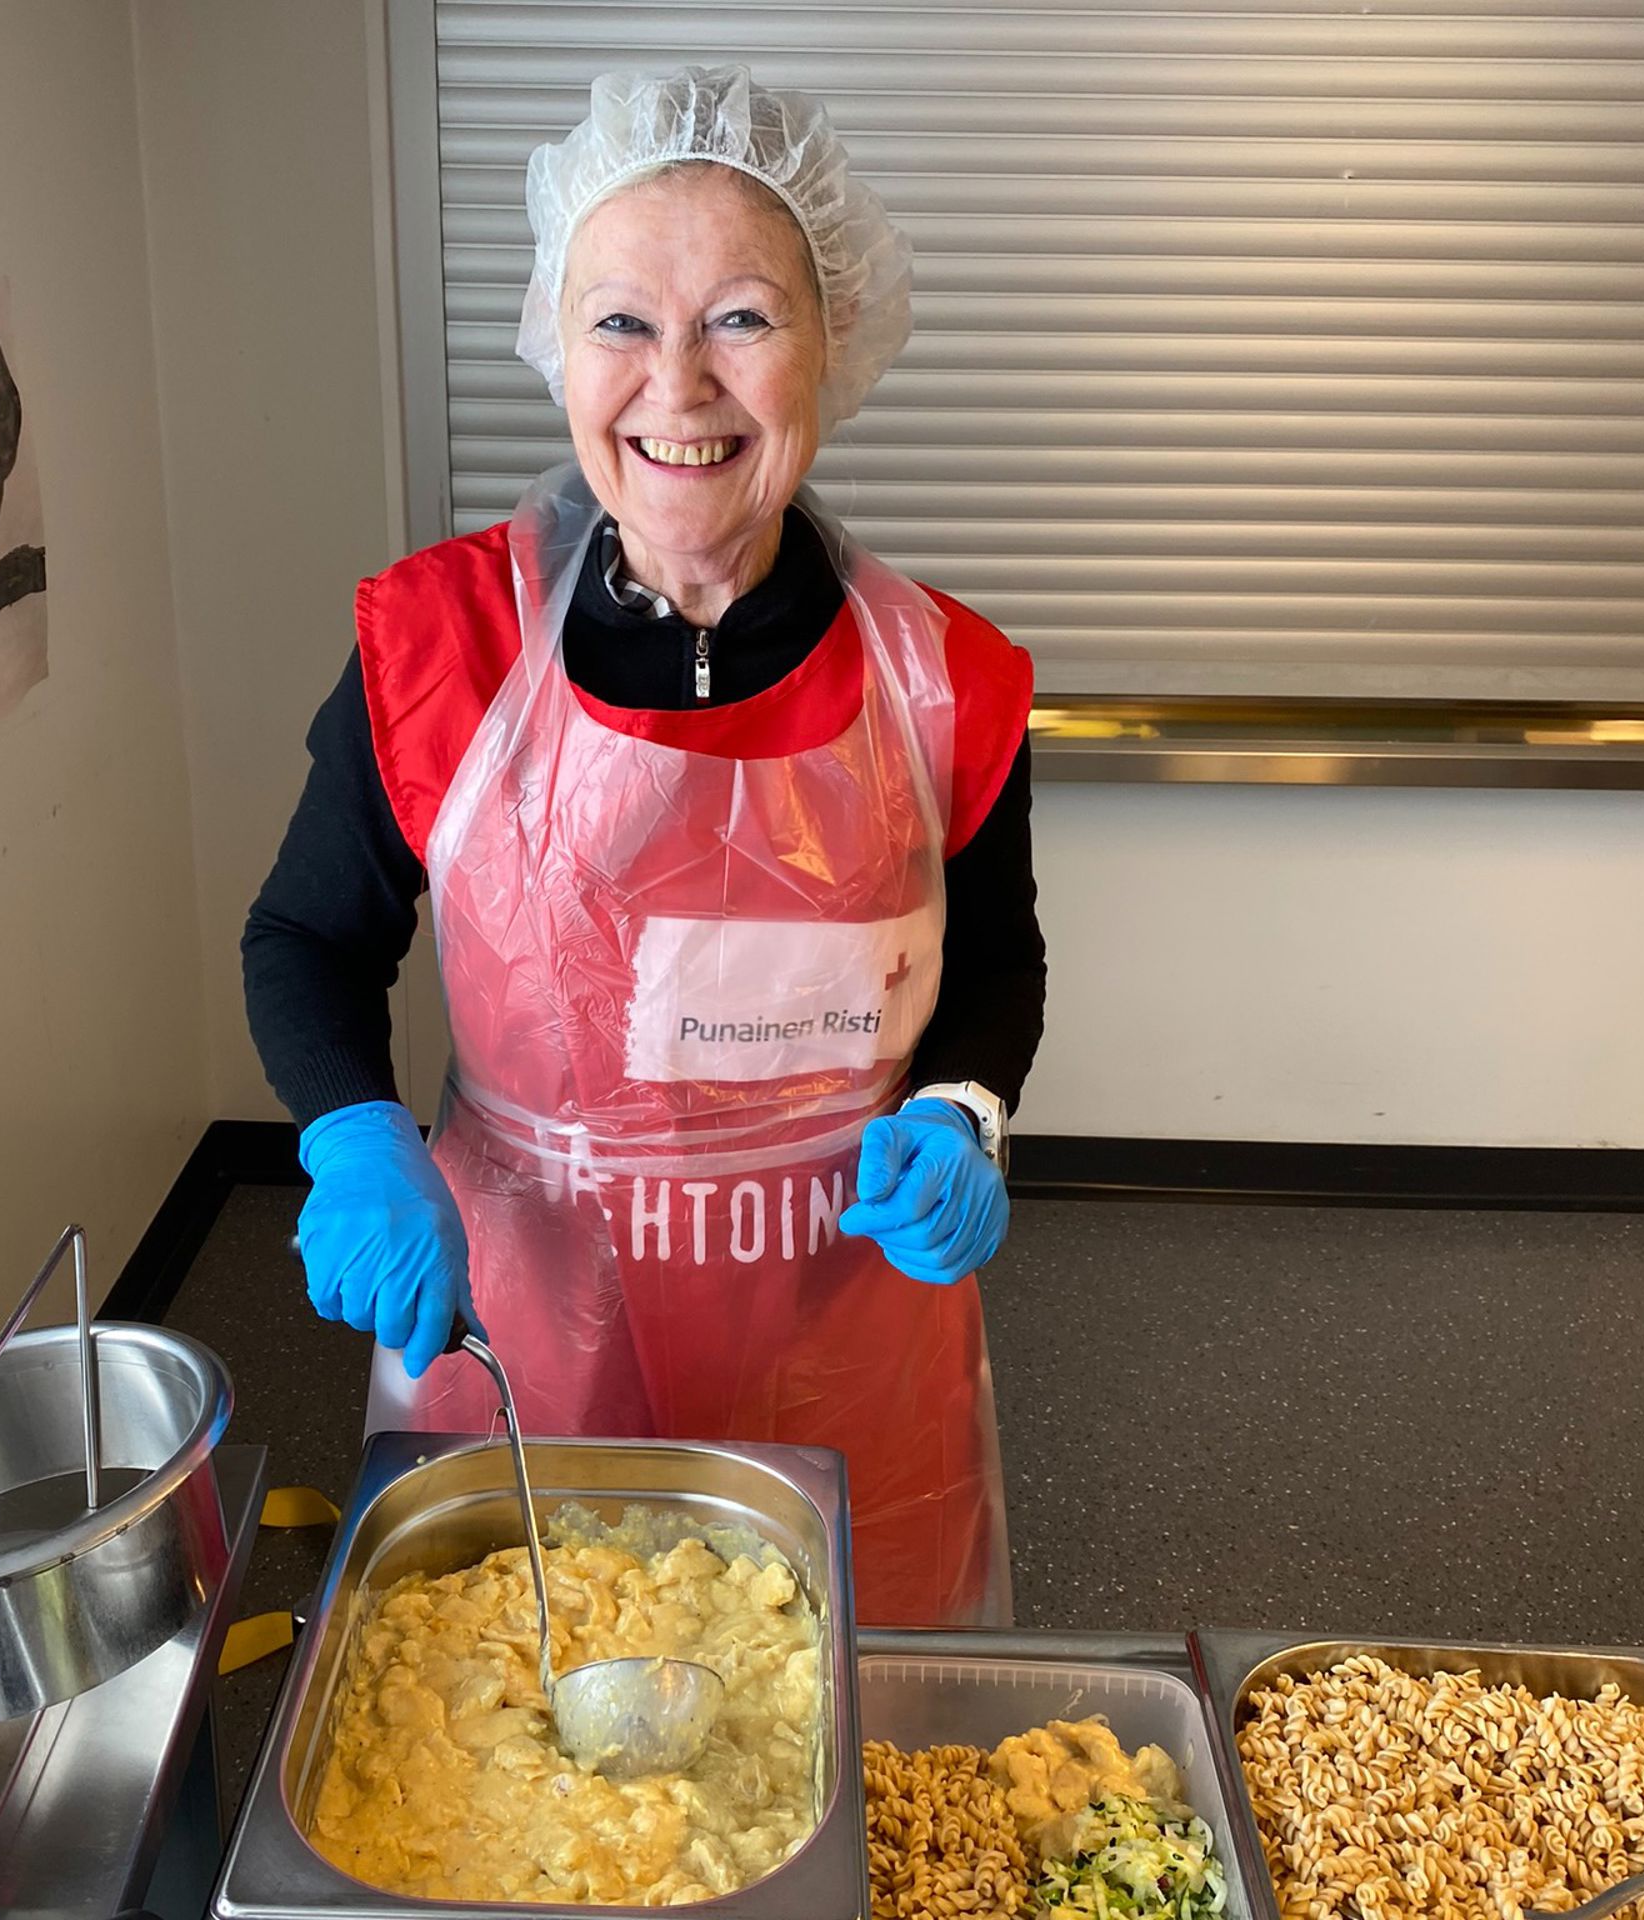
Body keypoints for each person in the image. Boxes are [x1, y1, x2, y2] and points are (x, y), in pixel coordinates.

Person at [243, 65, 1045, 1626]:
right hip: (529, 1330)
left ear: (834, 344)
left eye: (742, 318)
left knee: (851, 1751)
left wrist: (963, 1105)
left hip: (846, 1338)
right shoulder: (441, 645)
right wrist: (353, 1136)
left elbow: (996, 949)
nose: (678, 386)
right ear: (558, 346)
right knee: (512, 1732)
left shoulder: (945, 676)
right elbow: (307, 939)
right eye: (622, 322)